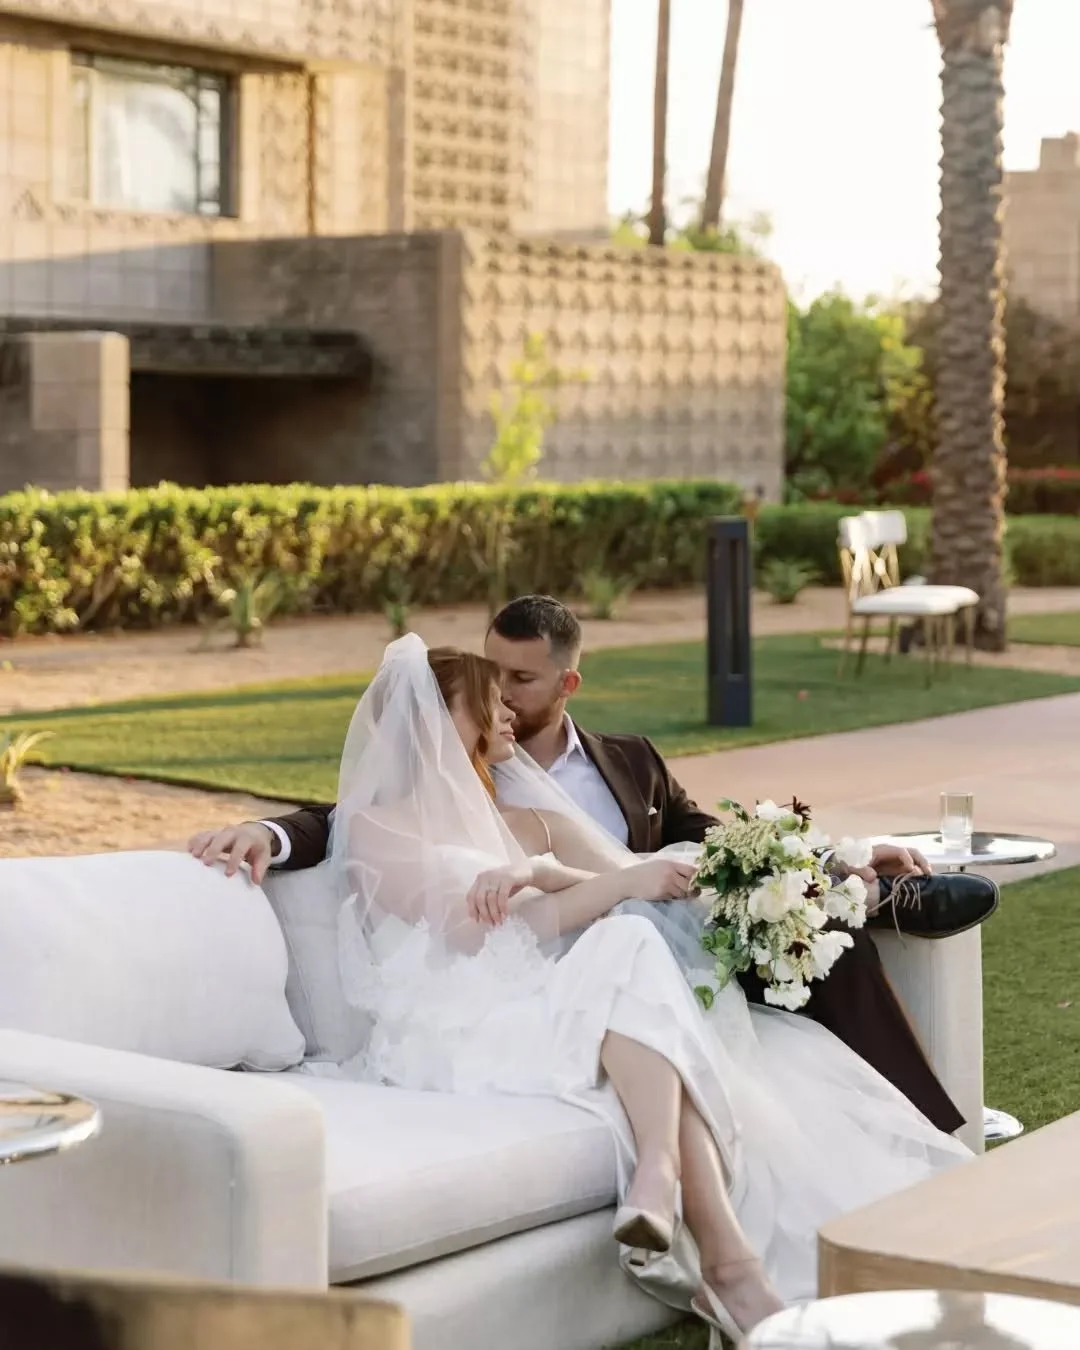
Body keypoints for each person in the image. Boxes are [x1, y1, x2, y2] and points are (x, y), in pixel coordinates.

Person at [299, 635, 970, 1338]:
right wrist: (579, 880)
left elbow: (669, 875)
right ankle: (720, 1255)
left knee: (630, 940)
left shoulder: (534, 820)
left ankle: (672, 1189)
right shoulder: (373, 827)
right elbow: (475, 937)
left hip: (553, 996)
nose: (506, 714)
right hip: (456, 1025)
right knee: (630, 955)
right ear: (441, 720)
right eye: (490, 700)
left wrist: (835, 863)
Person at [189, 597, 996, 1134]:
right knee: (792, 933)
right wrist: (273, 830)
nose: (500, 695)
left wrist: (821, 853)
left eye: (521, 680)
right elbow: (361, 814)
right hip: (609, 948)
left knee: (823, 944)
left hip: (676, 919)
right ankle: (872, 899)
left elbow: (705, 839)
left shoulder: (630, 760)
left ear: (567, 681)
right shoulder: (459, 771)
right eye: (491, 676)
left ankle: (863, 912)